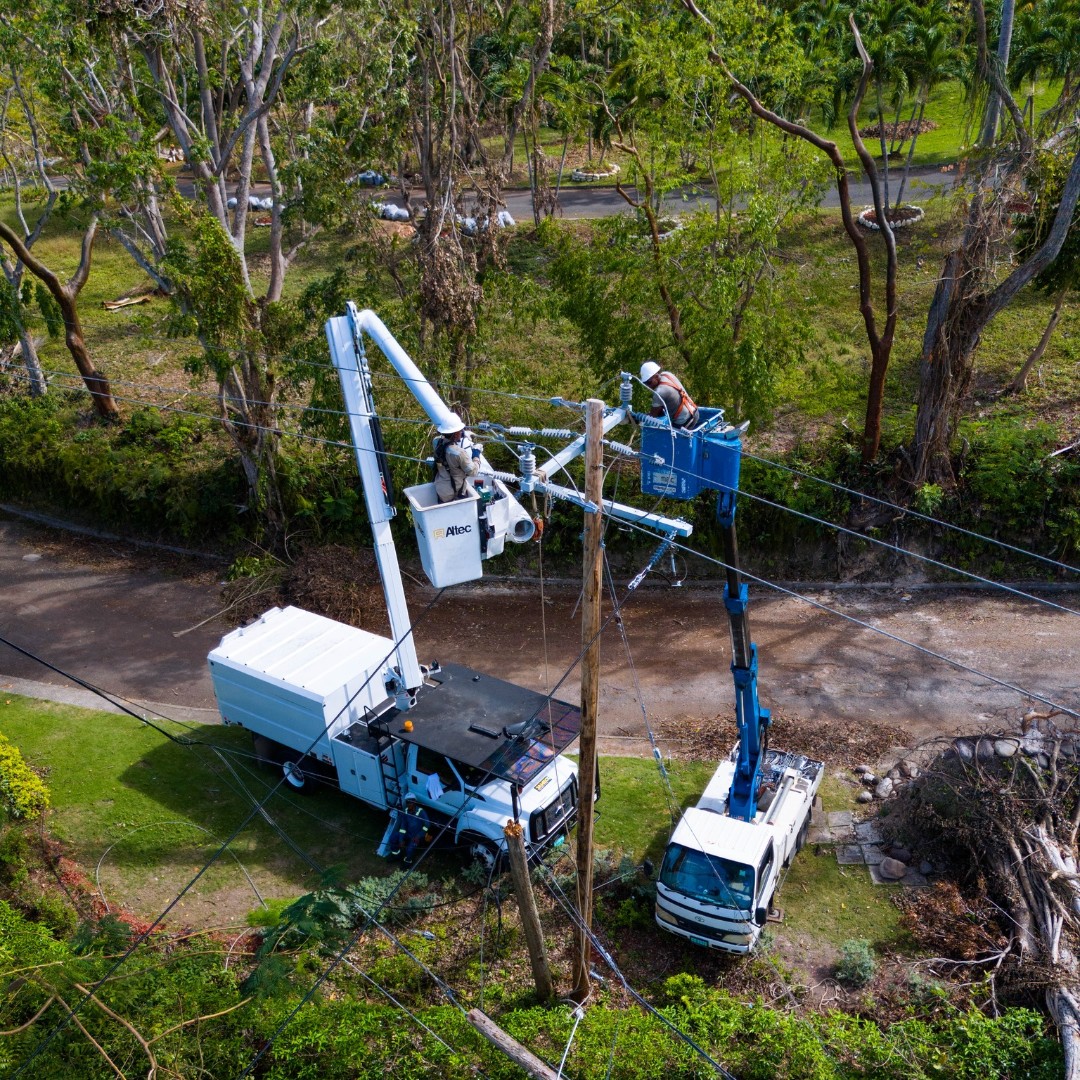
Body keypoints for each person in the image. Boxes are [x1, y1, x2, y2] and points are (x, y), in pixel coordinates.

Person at [433, 416, 481, 503]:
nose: (461, 432)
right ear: (455, 434)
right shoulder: (459, 453)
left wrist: (462, 435)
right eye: (460, 431)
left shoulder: (438, 443)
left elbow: (447, 438)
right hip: (453, 493)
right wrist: (476, 454)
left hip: (440, 489)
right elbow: (473, 471)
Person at [640, 361, 699, 429]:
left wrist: (638, 418)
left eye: (649, 382)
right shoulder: (667, 374)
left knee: (665, 436)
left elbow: (653, 415)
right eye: (645, 383)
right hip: (695, 412)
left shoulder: (660, 392)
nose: (648, 386)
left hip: (686, 421)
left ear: (656, 376)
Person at [391, 793, 431, 864]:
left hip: (417, 837)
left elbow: (427, 825)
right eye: (407, 802)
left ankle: (407, 862)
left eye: (411, 802)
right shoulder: (405, 811)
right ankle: (396, 855)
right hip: (408, 834)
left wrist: (419, 836)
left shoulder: (421, 811)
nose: (409, 804)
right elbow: (403, 827)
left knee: (409, 849)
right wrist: (401, 840)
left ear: (415, 802)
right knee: (394, 837)